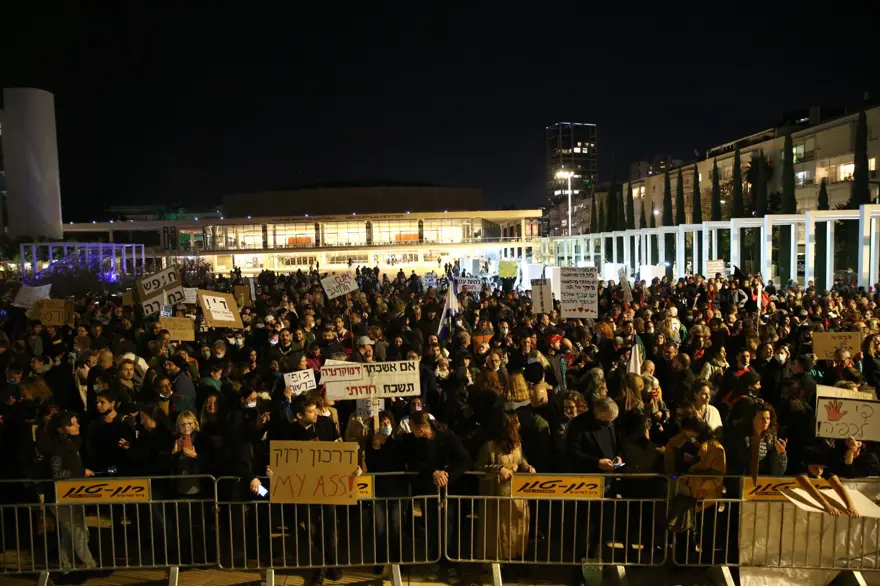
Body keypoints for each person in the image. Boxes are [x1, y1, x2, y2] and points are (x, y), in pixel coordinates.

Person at [475, 412, 535, 564]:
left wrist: (527, 467)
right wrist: (498, 468)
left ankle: (514, 559)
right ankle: (495, 564)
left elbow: (521, 460)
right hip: (497, 496)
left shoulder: (517, 443)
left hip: (517, 496)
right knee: (499, 530)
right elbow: (479, 468)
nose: (519, 426)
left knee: (516, 527)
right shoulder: (489, 447)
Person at [46, 412, 98, 577]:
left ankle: (66, 564)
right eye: (72, 424)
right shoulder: (57, 448)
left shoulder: (72, 445)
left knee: (69, 532)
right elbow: (57, 473)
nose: (77, 426)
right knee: (77, 530)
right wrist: (81, 471)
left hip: (72, 495)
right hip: (60, 497)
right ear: (62, 429)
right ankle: (89, 563)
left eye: (77, 423)